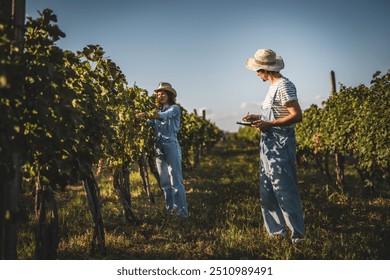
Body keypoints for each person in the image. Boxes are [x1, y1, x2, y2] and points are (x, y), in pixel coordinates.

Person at [243, 49, 304, 243]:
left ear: (264, 69)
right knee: (268, 190)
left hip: (281, 142)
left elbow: (296, 115)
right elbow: (276, 113)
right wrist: (259, 118)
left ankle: (298, 237)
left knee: (285, 190)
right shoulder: (272, 87)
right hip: (268, 143)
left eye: (257, 70)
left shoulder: (284, 85)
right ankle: (277, 234)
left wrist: (270, 124)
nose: (256, 74)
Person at [136, 82, 189, 218]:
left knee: (176, 179)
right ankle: (170, 211)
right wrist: (137, 118)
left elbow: (163, 117)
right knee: (165, 181)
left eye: (163, 93)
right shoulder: (157, 112)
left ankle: (182, 214)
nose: (160, 95)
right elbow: (149, 122)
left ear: (169, 95)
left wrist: (146, 114)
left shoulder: (174, 109)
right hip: (159, 147)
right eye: (158, 94)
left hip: (171, 144)